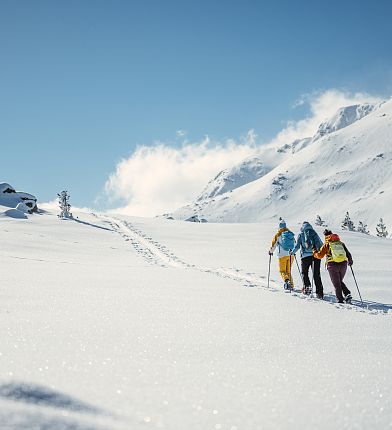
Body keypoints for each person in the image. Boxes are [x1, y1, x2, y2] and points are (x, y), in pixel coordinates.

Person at [313, 229, 353, 304]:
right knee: (339, 281)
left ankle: (341, 300)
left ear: (325, 236)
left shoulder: (327, 244)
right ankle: (347, 294)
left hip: (332, 265)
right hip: (343, 264)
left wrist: (314, 251)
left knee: (337, 283)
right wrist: (350, 261)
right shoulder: (341, 243)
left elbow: (320, 256)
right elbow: (348, 253)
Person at [292, 221, 324, 298]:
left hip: (305, 257)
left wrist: (292, 252)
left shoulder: (301, 234)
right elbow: (320, 244)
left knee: (304, 273)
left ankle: (307, 287)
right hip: (315, 256)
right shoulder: (314, 233)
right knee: (316, 274)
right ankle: (319, 293)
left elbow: (297, 246)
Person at [269, 219, 295, 290]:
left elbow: (273, 245)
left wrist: (270, 251)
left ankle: (287, 281)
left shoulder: (278, 235)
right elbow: (294, 243)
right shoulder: (290, 234)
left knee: (282, 271)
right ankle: (291, 285)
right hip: (291, 255)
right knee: (288, 271)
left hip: (282, 255)